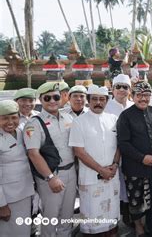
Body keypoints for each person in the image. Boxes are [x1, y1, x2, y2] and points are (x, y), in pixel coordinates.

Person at [24, 82, 77, 236]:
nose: (53, 101)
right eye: (47, 98)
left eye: (56, 97)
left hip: (71, 172)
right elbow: (33, 153)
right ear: (41, 100)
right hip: (52, 174)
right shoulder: (34, 124)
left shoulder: (68, 118)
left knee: (67, 216)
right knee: (50, 217)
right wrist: (50, 177)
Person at [69, 85, 120, 236]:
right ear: (89, 101)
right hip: (91, 177)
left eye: (102, 99)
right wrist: (101, 170)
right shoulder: (79, 122)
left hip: (112, 175)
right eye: (95, 99)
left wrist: (115, 165)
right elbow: (78, 151)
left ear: (106, 101)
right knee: (93, 216)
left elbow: (120, 145)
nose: (98, 102)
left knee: (112, 214)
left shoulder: (113, 119)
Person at [117, 81, 152, 236]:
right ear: (133, 96)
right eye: (140, 95)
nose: (143, 99)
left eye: (147, 95)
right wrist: (142, 158)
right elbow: (123, 143)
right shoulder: (125, 116)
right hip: (135, 167)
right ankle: (138, 227)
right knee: (136, 200)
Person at [103, 73, 134, 226]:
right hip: (111, 155)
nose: (122, 90)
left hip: (132, 156)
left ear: (130, 89)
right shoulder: (106, 107)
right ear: (113, 89)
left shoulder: (133, 106)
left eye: (125, 87)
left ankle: (130, 217)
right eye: (118, 87)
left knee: (130, 187)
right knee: (114, 189)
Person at [0, 100, 35, 236]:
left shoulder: (21, 131)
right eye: (4, 118)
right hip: (8, 198)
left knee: (23, 231)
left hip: (25, 193)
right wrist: (1, 205)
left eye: (14, 117)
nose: (10, 122)